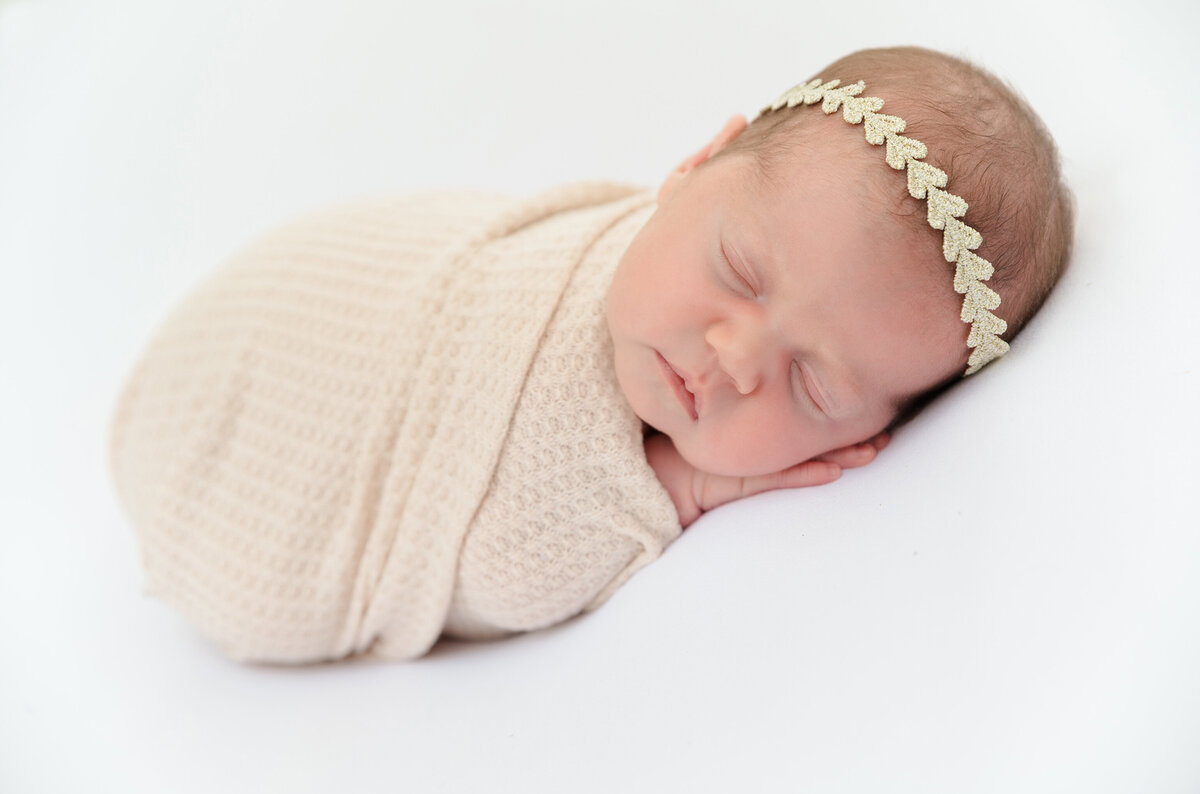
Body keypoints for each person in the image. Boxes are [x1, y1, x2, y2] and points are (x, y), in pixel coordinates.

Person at [108, 45, 1075, 662]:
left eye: (815, 385)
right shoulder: (602, 256)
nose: (737, 358)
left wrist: (674, 489)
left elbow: (494, 559)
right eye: (739, 270)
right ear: (695, 164)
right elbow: (510, 575)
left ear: (879, 431)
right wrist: (684, 489)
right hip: (298, 314)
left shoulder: (592, 470)